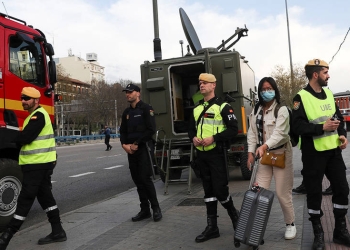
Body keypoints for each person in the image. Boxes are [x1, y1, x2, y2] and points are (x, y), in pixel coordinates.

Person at [292, 59, 349, 249]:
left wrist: (342, 136)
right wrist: (320, 127)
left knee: (342, 189)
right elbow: (297, 126)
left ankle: (340, 231)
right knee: (314, 194)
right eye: (325, 72)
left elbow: (338, 119)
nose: (329, 75)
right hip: (313, 154)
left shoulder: (329, 94)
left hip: (333, 152)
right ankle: (318, 234)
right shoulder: (300, 97)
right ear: (315, 74)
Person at [0, 87, 66, 250]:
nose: (23, 101)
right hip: (38, 164)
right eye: (22, 98)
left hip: (38, 165)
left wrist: (10, 133)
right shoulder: (33, 116)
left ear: (36, 100)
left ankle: (5, 238)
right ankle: (58, 231)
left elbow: (26, 138)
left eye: (27, 99)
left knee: (25, 199)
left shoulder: (38, 116)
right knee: (45, 198)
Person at [188, 73, 240, 243]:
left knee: (220, 190)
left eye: (205, 83)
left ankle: (236, 218)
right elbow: (191, 130)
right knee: (208, 191)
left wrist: (214, 138)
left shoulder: (223, 107)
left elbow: (233, 129)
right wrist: (193, 138)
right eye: (200, 83)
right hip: (201, 155)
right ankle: (212, 227)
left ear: (213, 85)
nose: (201, 85)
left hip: (216, 154)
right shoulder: (196, 108)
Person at [246, 77, 297, 240]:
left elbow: (281, 134)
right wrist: (250, 152)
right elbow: (252, 132)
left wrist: (264, 146)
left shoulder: (281, 109)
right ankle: (255, 226)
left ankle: (290, 224)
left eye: (269, 88)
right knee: (258, 191)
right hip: (264, 156)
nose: (266, 92)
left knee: (282, 193)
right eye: (263, 89)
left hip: (281, 153)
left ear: (275, 89)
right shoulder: (256, 109)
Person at [119, 83, 162, 222]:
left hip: (143, 148)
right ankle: (144, 210)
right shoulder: (126, 112)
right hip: (131, 151)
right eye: (126, 92)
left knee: (145, 179)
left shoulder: (146, 109)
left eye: (130, 92)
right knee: (137, 180)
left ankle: (156, 208)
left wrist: (136, 143)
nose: (128, 94)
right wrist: (124, 145)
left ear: (138, 93)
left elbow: (150, 130)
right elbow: (123, 132)